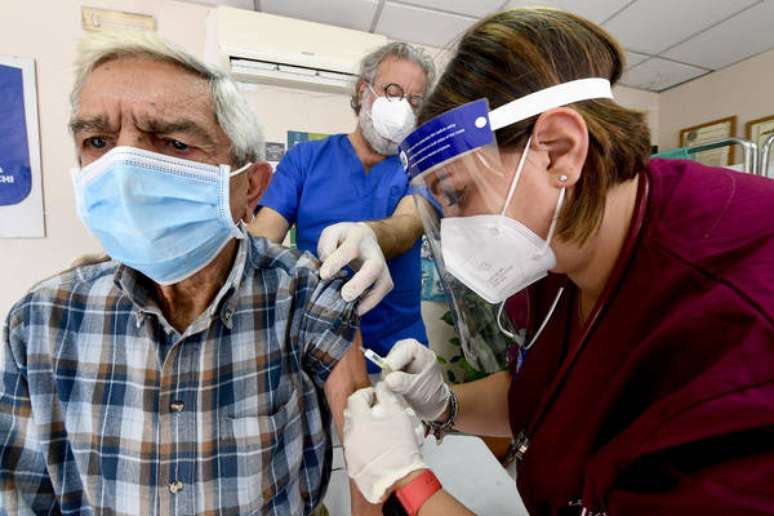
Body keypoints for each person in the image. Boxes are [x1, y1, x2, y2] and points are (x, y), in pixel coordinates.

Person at [342, 8, 774, 516]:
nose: (456, 227)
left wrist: (409, 482)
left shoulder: (737, 320)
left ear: (558, 152)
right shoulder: (556, 247)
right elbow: (547, 388)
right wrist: (447, 402)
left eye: (457, 195)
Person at [0, 31, 378, 515]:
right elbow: (20, 496)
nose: (127, 172)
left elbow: (370, 451)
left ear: (250, 187)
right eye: (98, 141)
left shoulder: (302, 293)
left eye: (175, 143)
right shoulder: (40, 322)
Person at [249, 42, 435, 372]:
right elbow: (262, 241)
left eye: (414, 101)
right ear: (365, 90)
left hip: (399, 355)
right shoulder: (305, 159)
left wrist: (368, 235)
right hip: (316, 347)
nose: (402, 108)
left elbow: (408, 225)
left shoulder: (419, 169)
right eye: (393, 92)